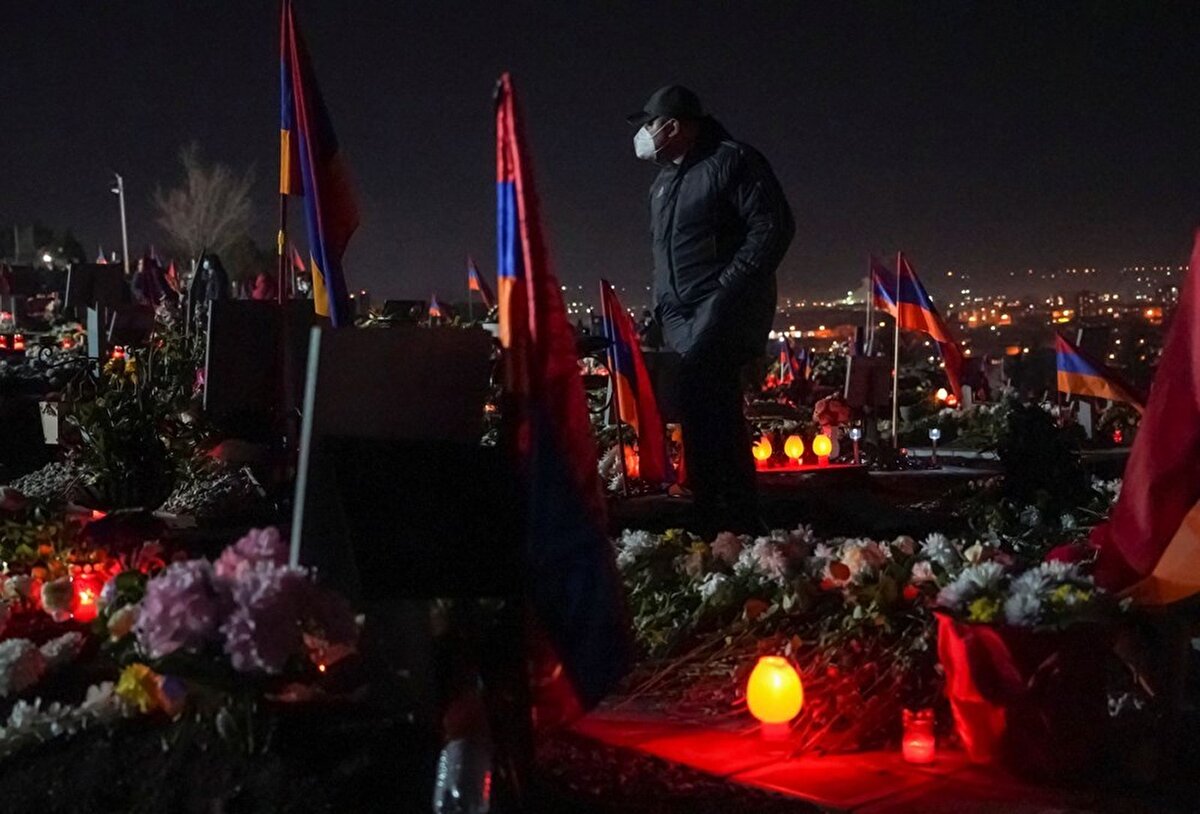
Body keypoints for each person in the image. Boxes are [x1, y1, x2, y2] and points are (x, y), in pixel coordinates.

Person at [629, 84, 794, 534]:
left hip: (722, 310)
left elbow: (773, 227)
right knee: (697, 409)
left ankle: (735, 517)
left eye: (650, 123)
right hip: (680, 316)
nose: (644, 133)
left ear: (674, 125)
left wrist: (726, 290)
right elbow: (666, 255)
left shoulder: (732, 161)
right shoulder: (665, 182)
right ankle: (714, 514)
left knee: (712, 404)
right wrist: (660, 312)